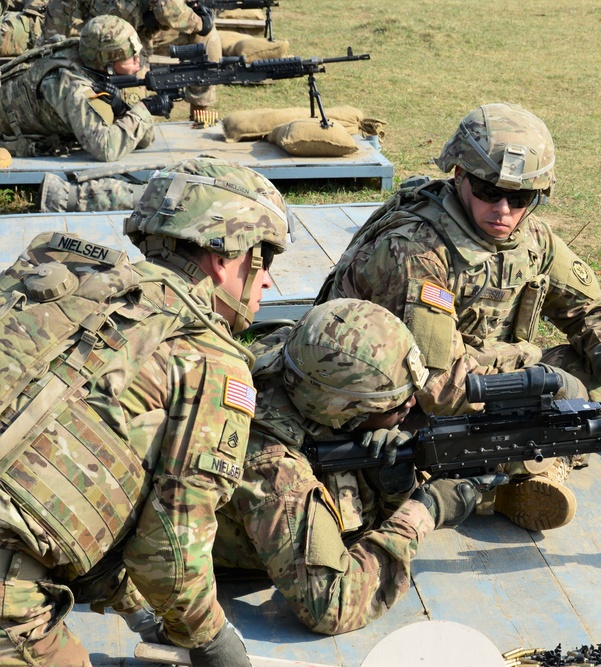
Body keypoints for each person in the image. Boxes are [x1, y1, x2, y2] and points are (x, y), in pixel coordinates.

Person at [0, 156, 288, 666]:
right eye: (264, 261)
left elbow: (75, 485)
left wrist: (137, 613)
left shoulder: (62, 280)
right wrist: (214, 644)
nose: (267, 283)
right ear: (225, 257)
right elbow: (169, 553)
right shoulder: (209, 362)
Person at [316, 102, 601, 532]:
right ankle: (510, 475)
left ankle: (513, 472)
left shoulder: (531, 238)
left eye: (521, 197)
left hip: (472, 373)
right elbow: (437, 385)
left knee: (583, 367)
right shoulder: (417, 249)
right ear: (459, 177)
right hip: (385, 398)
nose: (504, 210)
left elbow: (588, 307)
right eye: (489, 192)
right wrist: (539, 375)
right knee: (399, 452)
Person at [212, 298, 495, 635]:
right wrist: (424, 511)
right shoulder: (273, 466)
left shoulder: (304, 362)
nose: (411, 403)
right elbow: (330, 605)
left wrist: (391, 487)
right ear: (344, 411)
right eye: (394, 403)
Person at [0, 14, 172, 160]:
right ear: (107, 63)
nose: (138, 61)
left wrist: (121, 109)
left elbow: (143, 140)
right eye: (130, 57)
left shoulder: (94, 64)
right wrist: (143, 109)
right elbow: (106, 149)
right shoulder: (72, 84)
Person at [43, 0, 220, 118]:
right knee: (126, 112)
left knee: (206, 40)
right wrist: (201, 23)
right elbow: (169, 9)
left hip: (146, 30)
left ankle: (200, 115)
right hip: (110, 37)